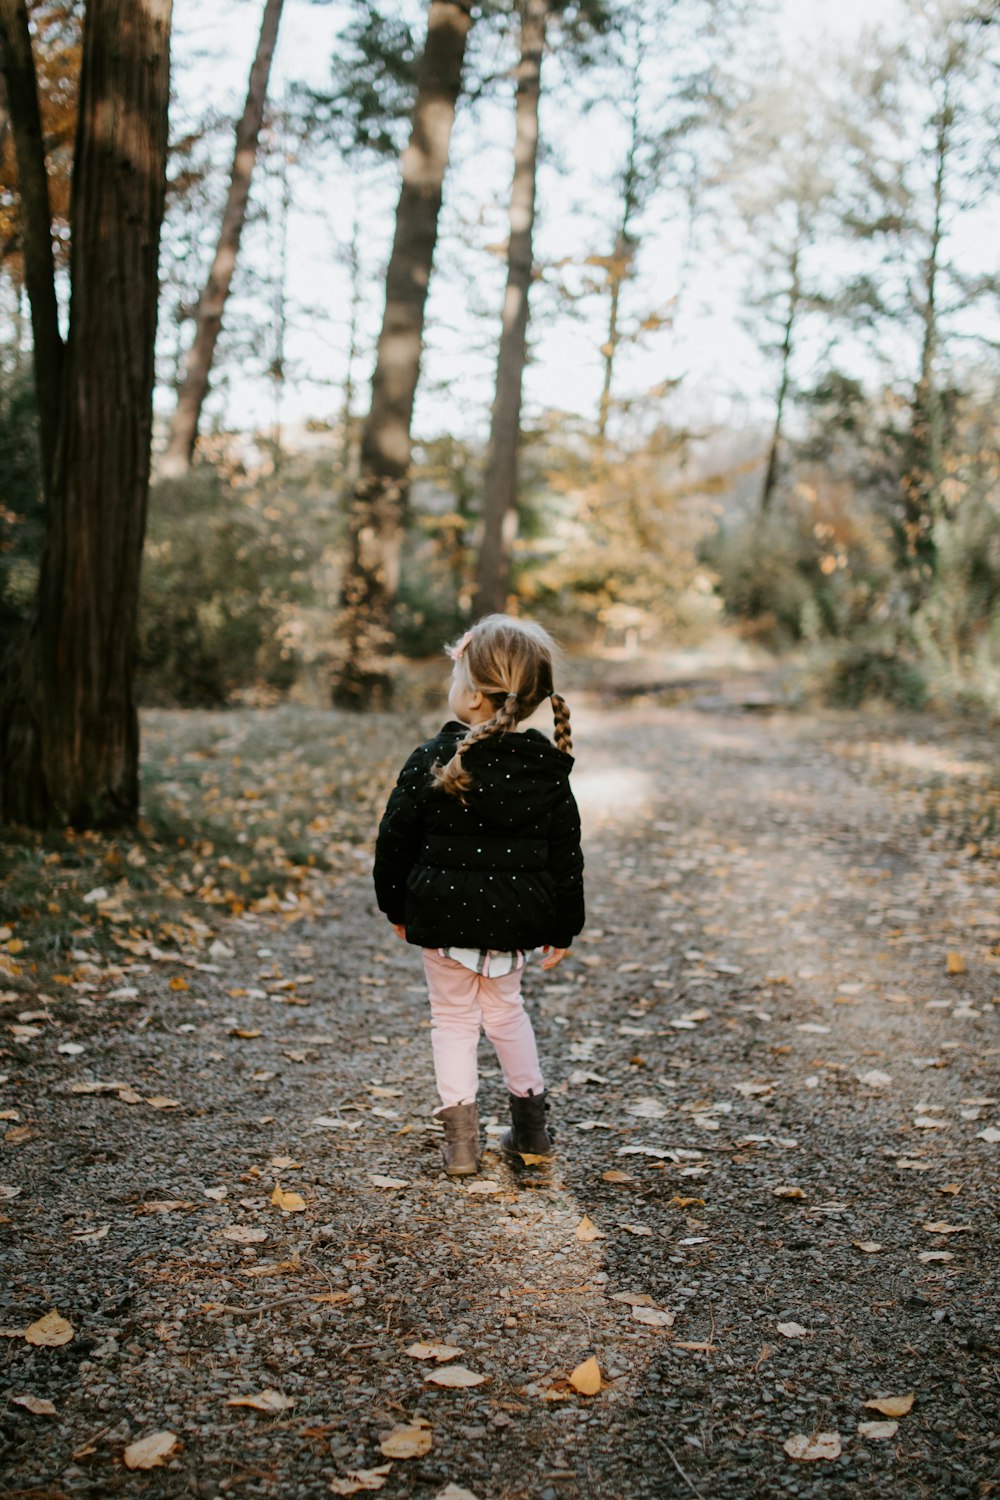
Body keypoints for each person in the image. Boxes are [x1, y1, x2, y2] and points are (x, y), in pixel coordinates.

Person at [373, 614, 585, 1176]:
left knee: (453, 1021)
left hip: (442, 919)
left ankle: (462, 1145)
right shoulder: (548, 771)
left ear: (469, 694)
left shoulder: (434, 759)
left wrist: (396, 905)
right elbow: (567, 855)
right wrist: (563, 926)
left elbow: (394, 839)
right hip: (515, 923)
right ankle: (532, 1131)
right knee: (508, 1014)